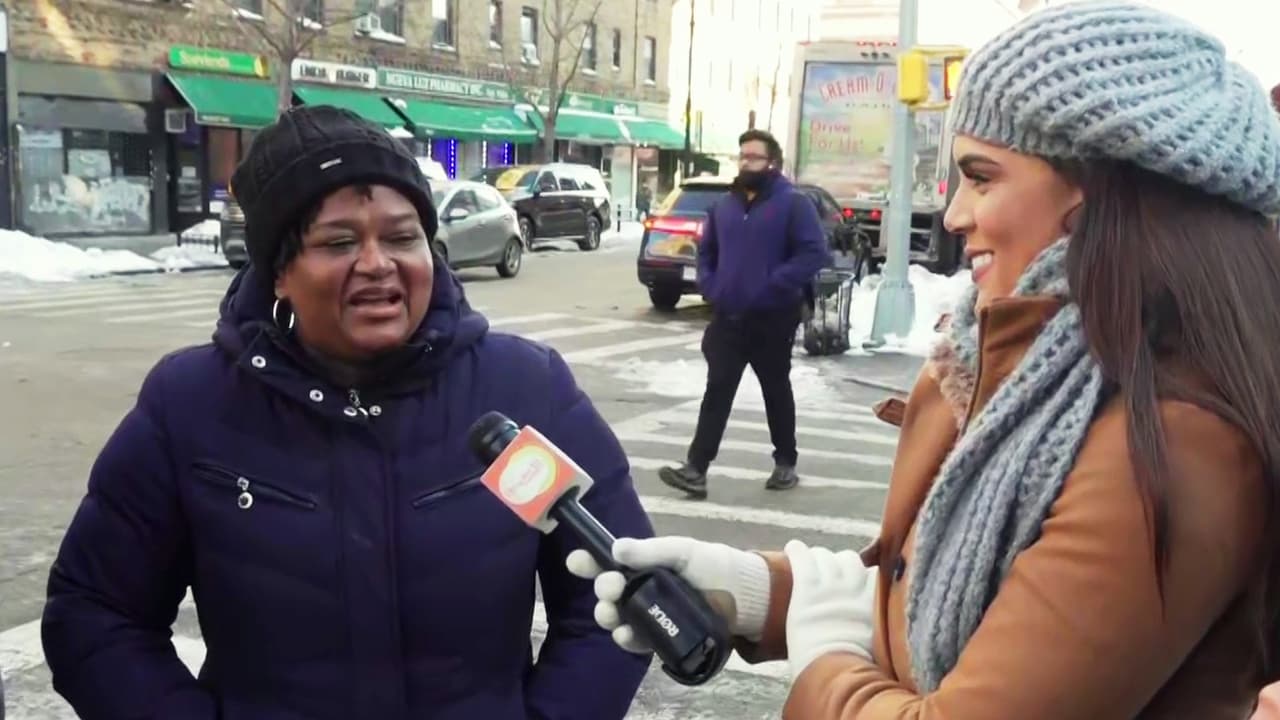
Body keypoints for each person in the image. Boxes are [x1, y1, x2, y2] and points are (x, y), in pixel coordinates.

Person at [568, 2, 1280, 717]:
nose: (953, 215)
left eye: (982, 176)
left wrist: (827, 656)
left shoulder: (1172, 439)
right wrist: (757, 593)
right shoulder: (1009, 363)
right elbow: (947, 606)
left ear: (1099, 193)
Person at [41, 105, 654, 719]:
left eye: (401, 236)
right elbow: (96, 614)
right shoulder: (191, 405)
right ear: (280, 272)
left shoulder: (524, 390)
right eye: (338, 242)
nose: (377, 264)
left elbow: (621, 593)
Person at [659, 129, 830, 499]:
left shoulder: (793, 204)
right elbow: (707, 252)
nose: (747, 163)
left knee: (775, 389)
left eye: (755, 157)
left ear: (773, 163)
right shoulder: (725, 206)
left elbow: (814, 252)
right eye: (743, 157)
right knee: (717, 389)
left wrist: (774, 283)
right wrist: (711, 285)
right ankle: (696, 469)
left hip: (773, 317)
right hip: (729, 316)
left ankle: (785, 462)